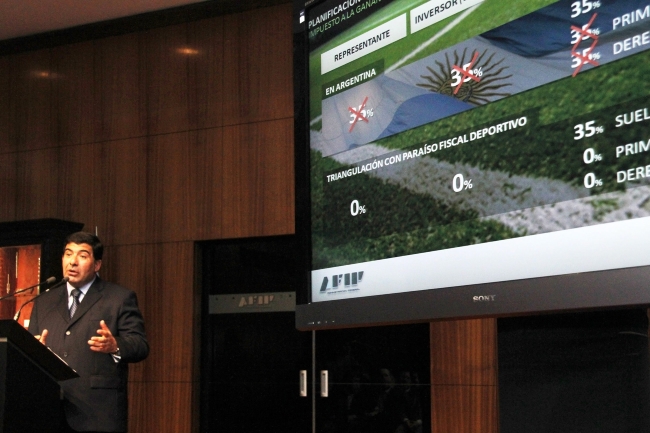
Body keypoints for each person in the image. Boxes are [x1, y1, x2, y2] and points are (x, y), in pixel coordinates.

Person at [28, 232, 149, 433]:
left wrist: (115, 345)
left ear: (97, 264)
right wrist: (34, 350)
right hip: (49, 409)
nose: (73, 262)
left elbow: (140, 345)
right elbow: (31, 347)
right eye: (68, 254)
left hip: (97, 412)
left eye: (82, 255)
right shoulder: (43, 301)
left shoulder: (118, 298)